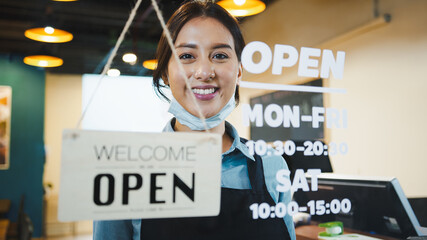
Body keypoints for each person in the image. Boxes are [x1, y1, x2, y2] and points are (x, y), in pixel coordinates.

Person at [93, 1, 295, 239]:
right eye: (187, 56)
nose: (204, 72)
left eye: (220, 55)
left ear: (239, 70)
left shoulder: (272, 166)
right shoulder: (125, 174)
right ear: (166, 73)